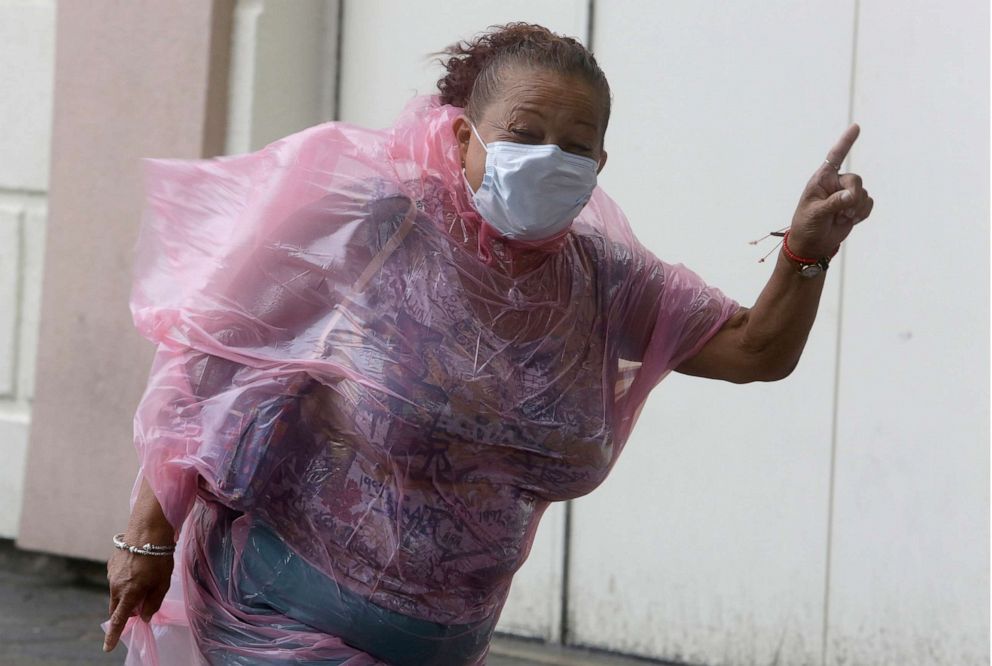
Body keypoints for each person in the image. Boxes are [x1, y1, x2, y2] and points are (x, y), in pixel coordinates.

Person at [104, 22, 872, 666]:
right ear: (466, 136)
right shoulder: (379, 221)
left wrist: (805, 253)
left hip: (448, 641)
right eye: (524, 134)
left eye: (576, 146)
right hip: (281, 619)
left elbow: (754, 350)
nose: (550, 158)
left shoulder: (603, 280)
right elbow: (215, 344)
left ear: (600, 165)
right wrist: (147, 532)